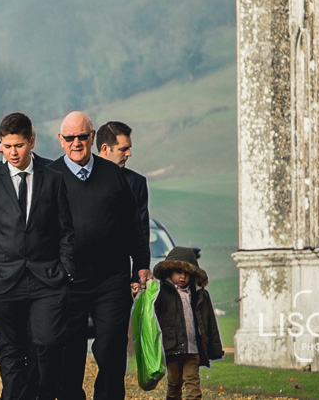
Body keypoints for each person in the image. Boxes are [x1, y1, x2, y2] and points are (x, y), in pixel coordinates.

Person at [0, 112, 74, 400]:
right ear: (0, 144)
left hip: (48, 280)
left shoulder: (54, 178)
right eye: (7, 145)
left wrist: (66, 270)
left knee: (47, 343)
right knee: (10, 351)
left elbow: (66, 230)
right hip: (2, 281)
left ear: (32, 142)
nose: (13, 152)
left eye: (19, 145)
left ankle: (46, 393)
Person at [55, 112, 151, 400]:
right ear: (61, 141)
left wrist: (142, 265)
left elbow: (134, 224)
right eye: (70, 138)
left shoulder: (113, 176)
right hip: (69, 281)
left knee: (110, 348)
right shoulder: (50, 176)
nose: (76, 143)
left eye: (82, 136)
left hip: (111, 280)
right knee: (69, 352)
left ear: (93, 137)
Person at [151, 246, 224, 400]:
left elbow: (210, 324)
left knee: (193, 385)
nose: (183, 276)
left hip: (194, 349)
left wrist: (215, 349)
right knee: (174, 385)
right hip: (172, 349)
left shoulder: (200, 294)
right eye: (178, 272)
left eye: (186, 273)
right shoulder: (160, 294)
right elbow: (151, 321)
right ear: (169, 271)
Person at [96, 120, 150, 253]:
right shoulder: (80, 178)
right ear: (105, 149)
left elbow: (142, 233)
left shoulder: (137, 183)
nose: (129, 154)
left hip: (123, 266)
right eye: (123, 149)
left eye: (129, 148)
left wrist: (140, 267)